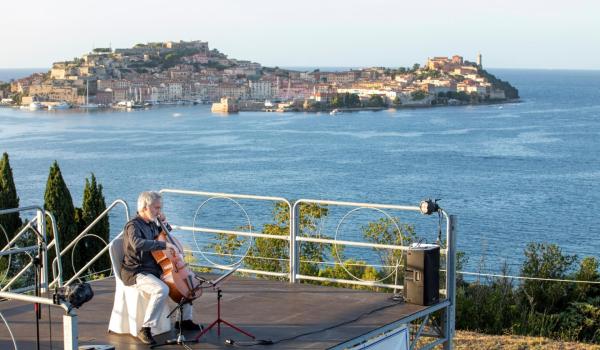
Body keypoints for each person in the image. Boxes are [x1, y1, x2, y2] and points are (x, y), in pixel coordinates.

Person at [121, 191, 201, 345]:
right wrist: (164, 245)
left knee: (184, 284)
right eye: (156, 208)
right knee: (162, 289)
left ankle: (184, 320)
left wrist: (164, 224)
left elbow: (165, 235)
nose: (159, 211)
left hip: (155, 269)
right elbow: (138, 244)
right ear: (144, 207)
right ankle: (145, 329)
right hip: (137, 271)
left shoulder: (153, 223)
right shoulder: (133, 226)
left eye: (160, 208)